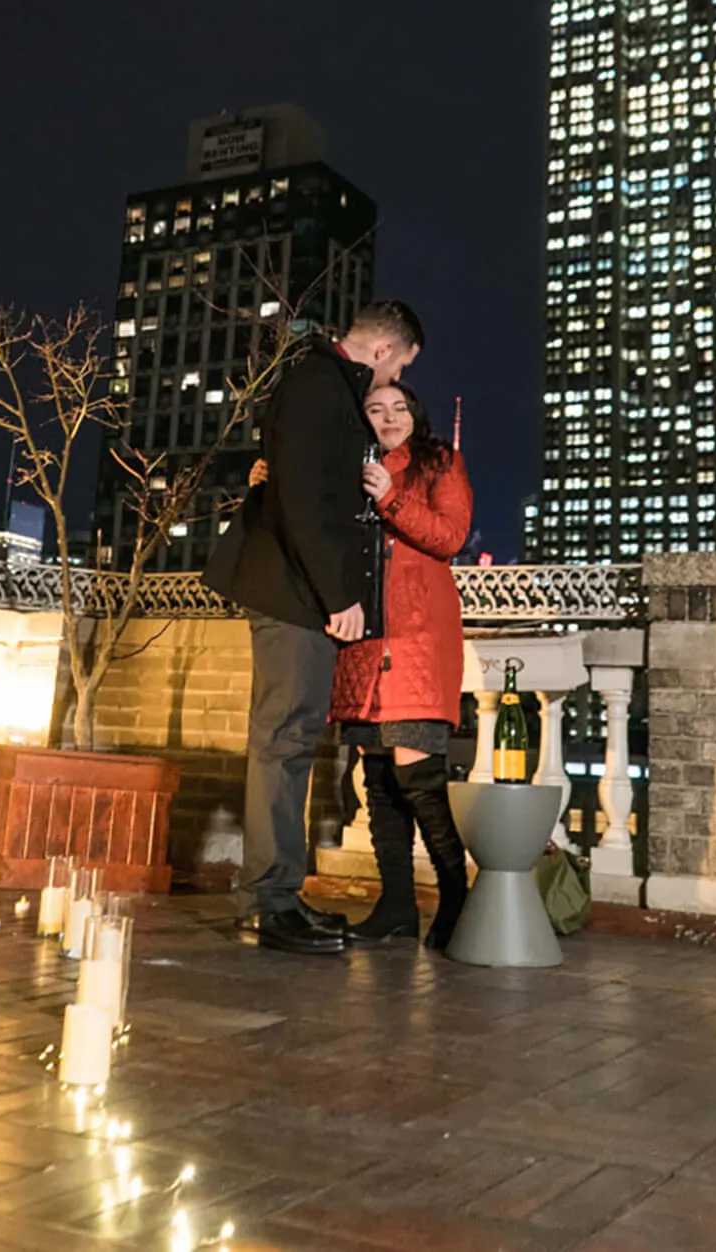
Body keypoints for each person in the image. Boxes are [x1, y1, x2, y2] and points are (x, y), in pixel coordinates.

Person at [204, 299, 423, 955]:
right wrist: (338, 594)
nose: (396, 383)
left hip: (299, 589)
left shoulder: (331, 388)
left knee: (293, 739)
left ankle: (279, 895)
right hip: (292, 592)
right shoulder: (318, 383)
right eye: (403, 365)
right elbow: (305, 499)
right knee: (284, 738)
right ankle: (269, 901)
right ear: (386, 350)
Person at [329, 382, 472, 950]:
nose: (388, 417)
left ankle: (456, 897)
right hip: (366, 640)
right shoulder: (352, 465)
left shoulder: (441, 463)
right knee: (379, 779)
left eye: (399, 408)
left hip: (416, 639)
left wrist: (392, 496)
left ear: (417, 413)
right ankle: (395, 906)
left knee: (419, 776)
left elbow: (449, 536)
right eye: (375, 408)